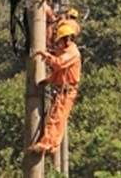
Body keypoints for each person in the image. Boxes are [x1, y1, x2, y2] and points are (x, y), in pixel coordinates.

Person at [28, 23, 81, 155]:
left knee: (56, 119)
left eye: (60, 42)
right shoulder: (66, 52)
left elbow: (58, 64)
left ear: (67, 40)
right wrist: (48, 80)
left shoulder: (72, 52)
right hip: (63, 90)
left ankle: (46, 145)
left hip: (66, 92)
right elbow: (59, 73)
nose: (58, 45)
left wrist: (45, 55)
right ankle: (51, 145)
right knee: (56, 118)